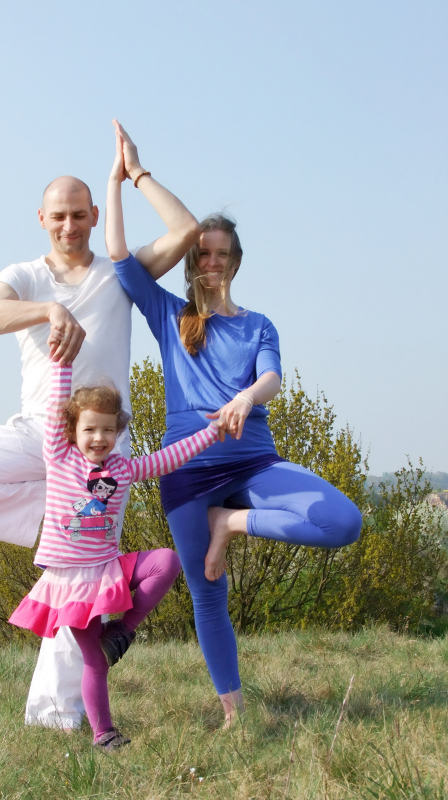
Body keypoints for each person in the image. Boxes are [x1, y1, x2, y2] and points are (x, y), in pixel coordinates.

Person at [0, 163, 200, 729]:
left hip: (102, 455)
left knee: (85, 586)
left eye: (80, 214)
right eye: (58, 216)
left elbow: (184, 230)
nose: (70, 225)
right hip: (37, 437)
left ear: (94, 216)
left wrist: (134, 174)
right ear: (43, 220)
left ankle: (57, 716)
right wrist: (47, 309)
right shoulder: (25, 274)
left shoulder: (119, 273)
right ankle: (45, 523)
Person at [106, 121, 363, 728]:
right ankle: (234, 714)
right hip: (188, 470)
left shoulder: (259, 325)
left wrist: (248, 395)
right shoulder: (169, 313)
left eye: (222, 253)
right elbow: (118, 254)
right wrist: (126, 177)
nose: (211, 260)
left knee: (342, 522)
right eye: (203, 253)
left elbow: (272, 379)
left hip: (255, 461)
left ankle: (232, 521)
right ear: (192, 260)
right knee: (208, 597)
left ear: (237, 262)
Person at [8, 358, 220, 748]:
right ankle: (103, 733)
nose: (99, 437)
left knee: (167, 562)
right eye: (89, 428)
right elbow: (58, 405)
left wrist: (212, 433)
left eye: (108, 429)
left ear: (118, 431)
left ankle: (121, 631)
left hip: (107, 568)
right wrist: (63, 362)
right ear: (73, 430)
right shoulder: (59, 457)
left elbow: (168, 459)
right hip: (71, 582)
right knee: (94, 661)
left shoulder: (121, 469)